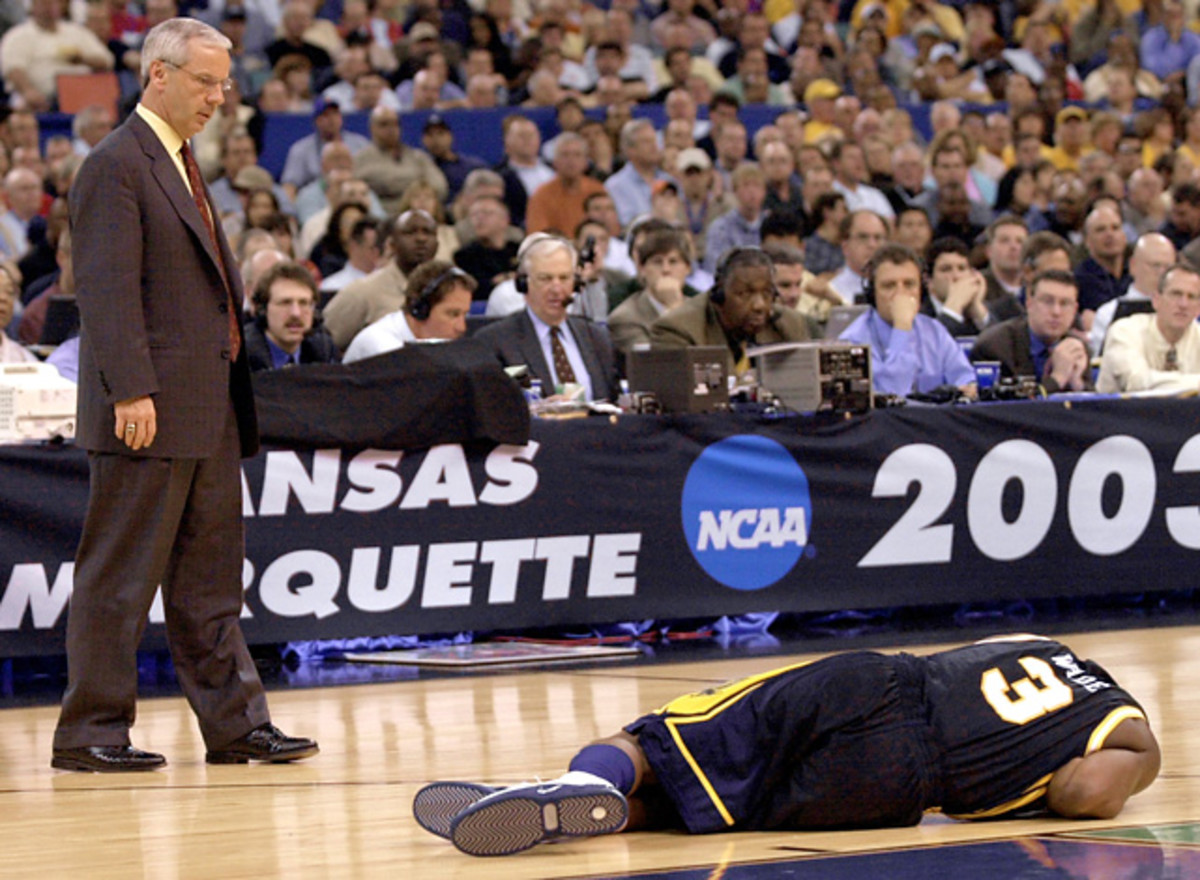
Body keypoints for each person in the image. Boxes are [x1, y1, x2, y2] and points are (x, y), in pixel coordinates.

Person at [52, 17, 318, 773]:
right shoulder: (115, 164)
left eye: (224, 84)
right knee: (118, 579)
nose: (219, 97)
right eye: (205, 81)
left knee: (210, 584)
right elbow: (107, 293)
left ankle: (237, 725)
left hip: (207, 407)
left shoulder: (179, 158)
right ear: (158, 75)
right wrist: (131, 392)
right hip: (148, 408)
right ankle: (90, 731)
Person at [414, 635, 1159, 857]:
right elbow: (1085, 796)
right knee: (718, 813)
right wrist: (1132, 760)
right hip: (897, 782)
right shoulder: (1125, 724)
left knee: (661, 740)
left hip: (874, 684)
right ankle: (593, 816)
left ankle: (578, 784)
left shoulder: (1043, 642)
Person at [474, 234, 620, 401]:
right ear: (523, 283)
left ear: (576, 283)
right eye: (545, 279)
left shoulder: (597, 338)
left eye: (564, 278)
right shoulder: (496, 342)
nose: (556, 289)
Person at [650, 246, 812, 380]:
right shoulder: (677, 330)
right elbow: (681, 400)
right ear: (720, 295)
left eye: (767, 293)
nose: (759, 305)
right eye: (745, 294)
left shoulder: (789, 324)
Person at [838, 243, 976, 398]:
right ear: (872, 293)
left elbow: (965, 379)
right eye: (889, 286)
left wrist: (967, 389)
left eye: (909, 284)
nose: (900, 293)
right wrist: (902, 328)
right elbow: (894, 395)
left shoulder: (934, 331)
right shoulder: (853, 341)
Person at [322, 208, 439, 351]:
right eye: (410, 232)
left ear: (437, 244)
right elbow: (324, 344)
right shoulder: (363, 290)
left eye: (428, 232)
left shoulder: (448, 290)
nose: (421, 239)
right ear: (392, 244)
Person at [970, 270, 1094, 395]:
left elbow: (1094, 404)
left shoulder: (1077, 348)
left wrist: (1077, 384)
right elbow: (1014, 403)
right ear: (1029, 303)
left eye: (1065, 303)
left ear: (1075, 310)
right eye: (1048, 301)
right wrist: (1057, 378)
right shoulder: (995, 347)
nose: (1056, 312)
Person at [342, 261, 474, 363]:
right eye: (453, 314)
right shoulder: (381, 346)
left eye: (465, 315)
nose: (461, 327)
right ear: (420, 310)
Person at [1098, 263, 1200, 393]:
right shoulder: (1125, 331)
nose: (1183, 304)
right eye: (1176, 294)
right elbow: (1136, 382)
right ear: (1156, 300)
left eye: (1191, 297)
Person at [1090, 233, 1176, 356]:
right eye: (1155, 266)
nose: (1162, 274)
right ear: (1133, 265)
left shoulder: (1184, 310)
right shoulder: (1108, 313)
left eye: (1168, 268)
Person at [243, 261, 339, 370]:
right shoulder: (242, 357)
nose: (296, 313)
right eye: (285, 303)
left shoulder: (324, 351)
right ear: (263, 310)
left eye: (303, 303)